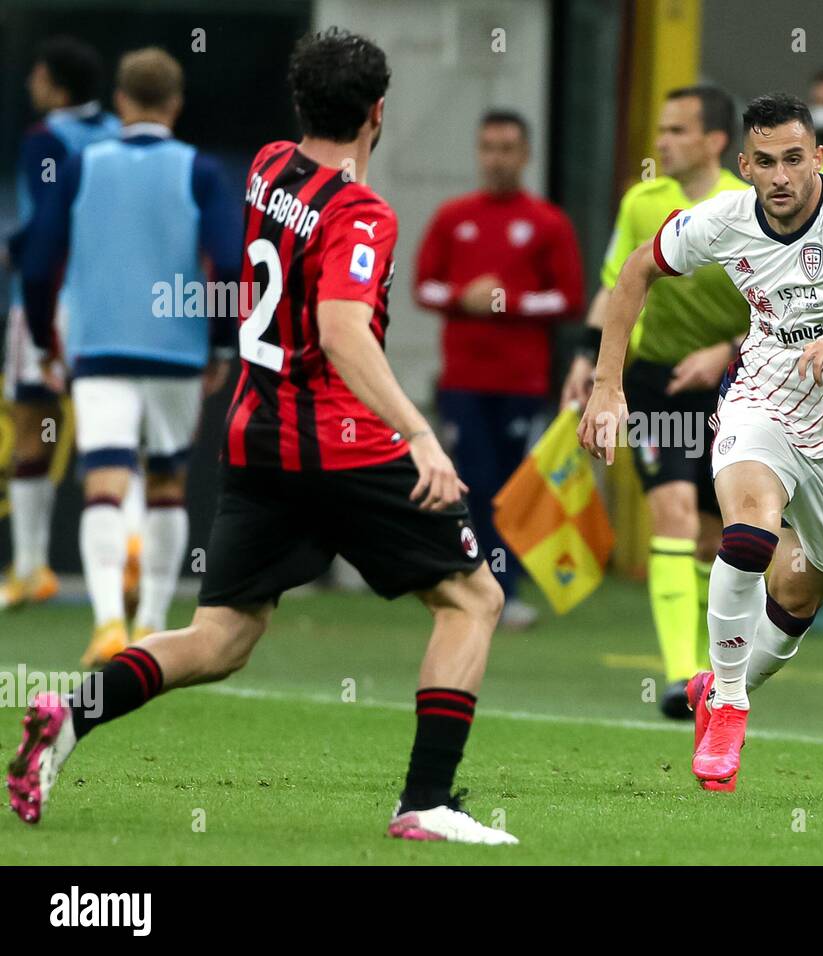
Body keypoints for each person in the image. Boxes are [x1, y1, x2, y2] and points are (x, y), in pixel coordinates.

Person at [9, 28, 516, 846]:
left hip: (256, 438)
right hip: (340, 443)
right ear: (379, 111)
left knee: (223, 638)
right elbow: (344, 329)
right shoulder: (361, 214)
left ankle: (71, 714)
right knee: (472, 597)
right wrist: (419, 434)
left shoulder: (268, 164)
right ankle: (426, 802)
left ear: (300, 104)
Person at [579, 93, 823, 790]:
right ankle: (728, 706)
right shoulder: (722, 219)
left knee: (798, 590)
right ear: (744, 166)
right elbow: (635, 270)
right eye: (766, 162)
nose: (782, 176)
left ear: (817, 158)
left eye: (795, 158)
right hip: (763, 398)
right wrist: (609, 384)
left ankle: (716, 684)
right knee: (750, 531)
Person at [20, 48, 241, 667]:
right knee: (168, 483)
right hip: (177, 350)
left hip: (99, 349)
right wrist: (221, 340)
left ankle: (108, 622)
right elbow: (228, 261)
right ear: (175, 104)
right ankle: (151, 625)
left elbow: (39, 263)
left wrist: (43, 338)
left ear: (121, 101)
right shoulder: (198, 169)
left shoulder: (82, 162)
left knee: (105, 484)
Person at [560, 85, 750, 719]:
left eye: (676, 131)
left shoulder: (747, 210)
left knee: (712, 535)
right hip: (654, 383)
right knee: (669, 511)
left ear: (714, 141)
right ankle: (679, 680)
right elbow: (616, 285)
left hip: (736, 385)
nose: (661, 141)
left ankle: (712, 671)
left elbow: (784, 308)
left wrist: (725, 348)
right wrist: (590, 364)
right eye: (661, 129)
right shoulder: (644, 203)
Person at [414, 110, 584, 631]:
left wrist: (509, 302)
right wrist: (463, 297)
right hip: (463, 380)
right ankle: (472, 585)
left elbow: (570, 298)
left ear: (526, 154)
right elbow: (424, 286)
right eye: (488, 147)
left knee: (513, 488)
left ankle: (507, 592)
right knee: (471, 483)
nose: (497, 158)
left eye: (508, 148)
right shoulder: (452, 216)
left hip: (523, 381)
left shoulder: (547, 222)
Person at [2, 36, 119, 609]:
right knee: (117, 432)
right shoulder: (120, 133)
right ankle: (127, 565)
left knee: (33, 425)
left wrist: (14, 249)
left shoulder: (45, 140)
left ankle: (29, 568)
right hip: (112, 303)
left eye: (39, 75)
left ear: (58, 86)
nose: (31, 84)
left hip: (50, 299)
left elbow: (49, 216)